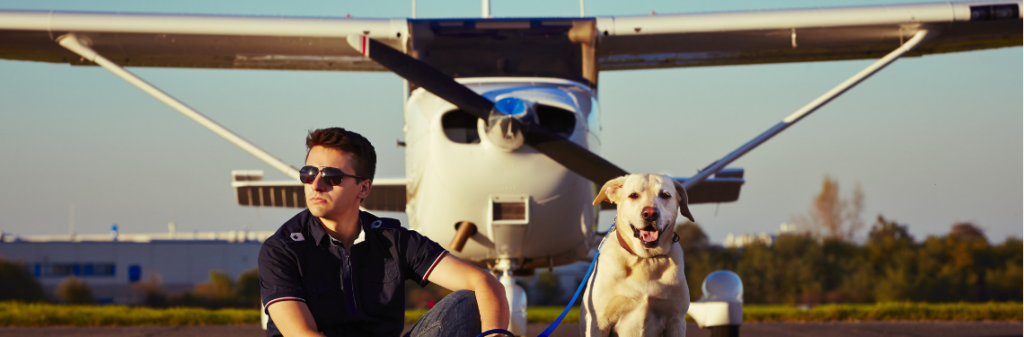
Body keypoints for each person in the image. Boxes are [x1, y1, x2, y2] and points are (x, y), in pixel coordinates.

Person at [259, 127, 510, 337]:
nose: (316, 184)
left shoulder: (393, 240)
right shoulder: (282, 249)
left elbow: (485, 283)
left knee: (468, 302)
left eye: (332, 176)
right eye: (309, 173)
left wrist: (494, 335)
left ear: (364, 188)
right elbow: (301, 335)